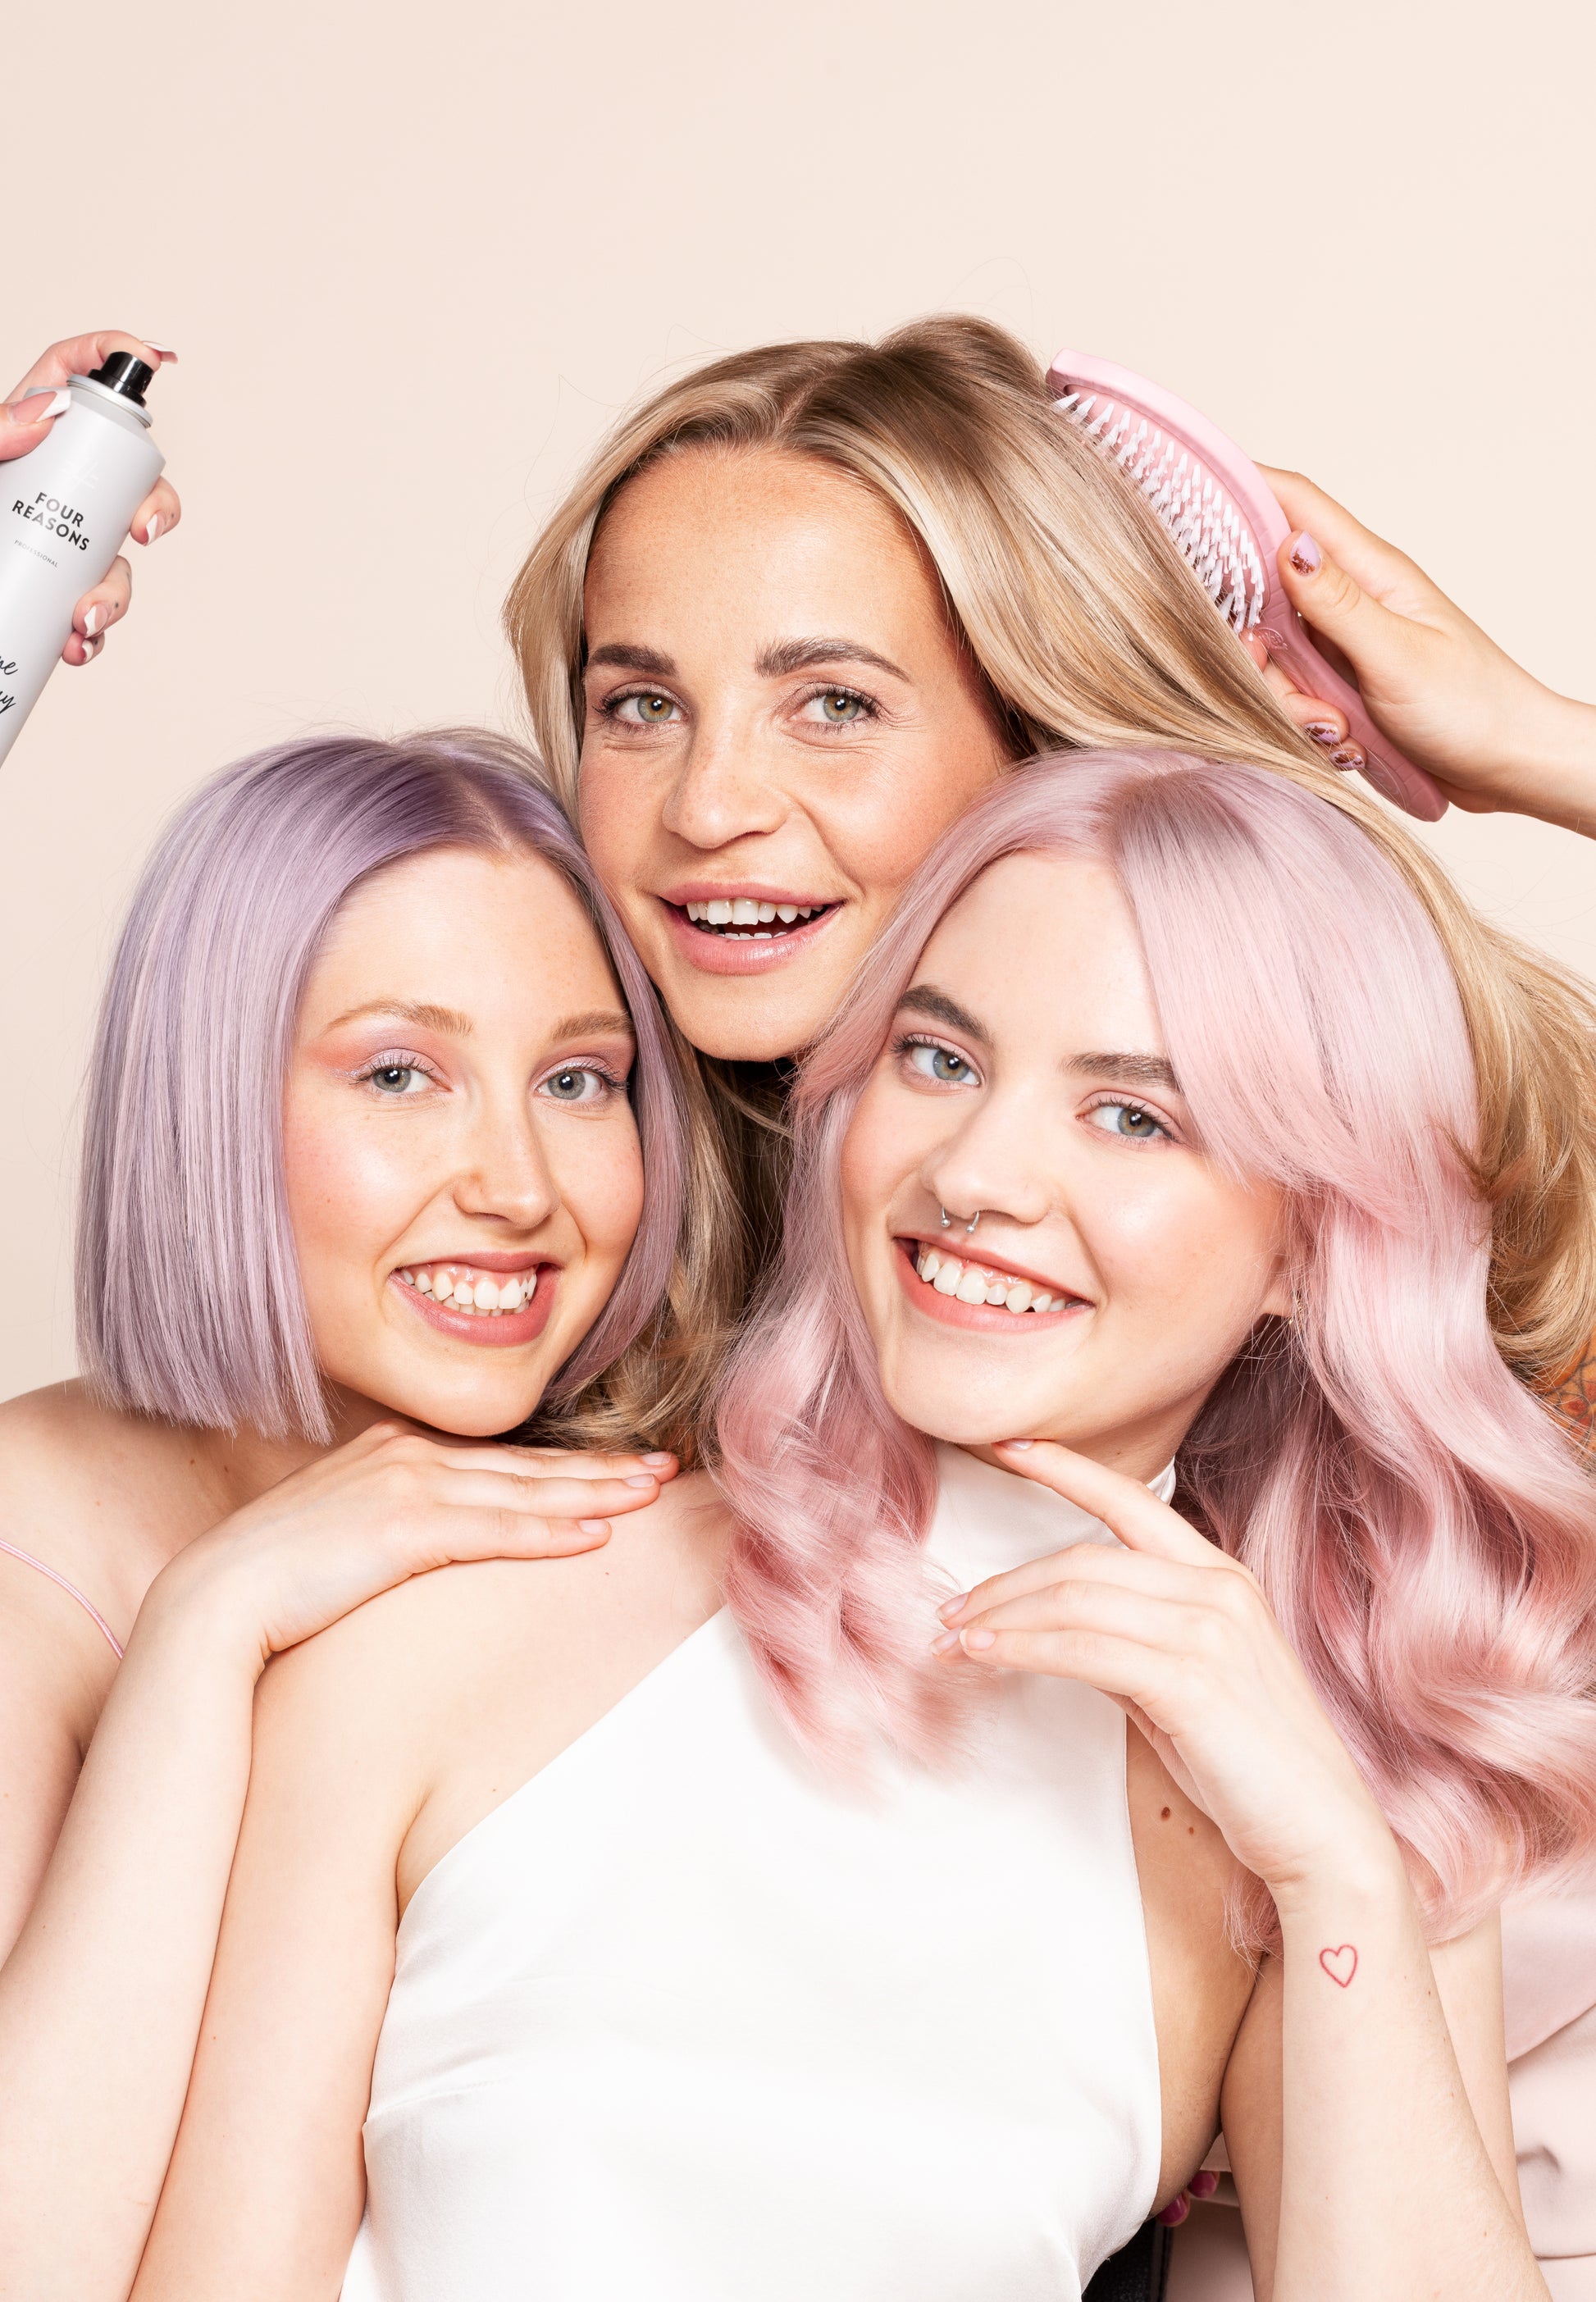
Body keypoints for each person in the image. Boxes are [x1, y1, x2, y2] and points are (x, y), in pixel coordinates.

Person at [130, 746, 1596, 2300]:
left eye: (1131, 1116)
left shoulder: (1321, 1812)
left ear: (1313, 1244)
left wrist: (1336, 1872)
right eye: (938, 1059)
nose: (975, 1175)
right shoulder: (463, 1617)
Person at [0, 728, 733, 2299]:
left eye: (578, 1081)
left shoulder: (631, 1532)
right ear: (204, 1106)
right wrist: (207, 1625)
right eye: (400, 1075)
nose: (517, 1186)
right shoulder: (24, 1569)